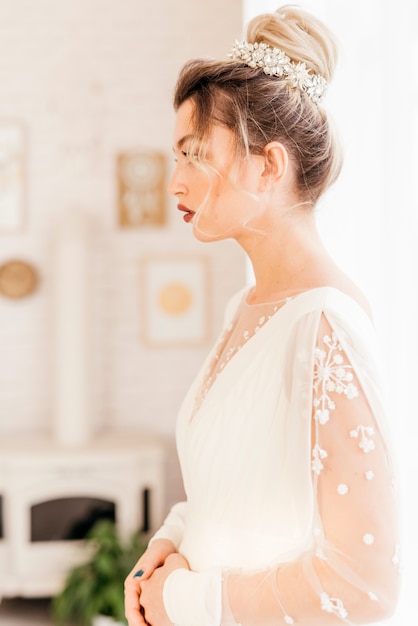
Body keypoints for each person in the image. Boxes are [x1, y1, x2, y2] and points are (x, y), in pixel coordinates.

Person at [124, 5, 401, 625]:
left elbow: (364, 587)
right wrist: (166, 543)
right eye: (176, 156)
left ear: (269, 165)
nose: (175, 182)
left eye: (194, 154)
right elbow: (235, 492)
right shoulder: (242, 309)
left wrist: (181, 600)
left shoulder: (325, 324)